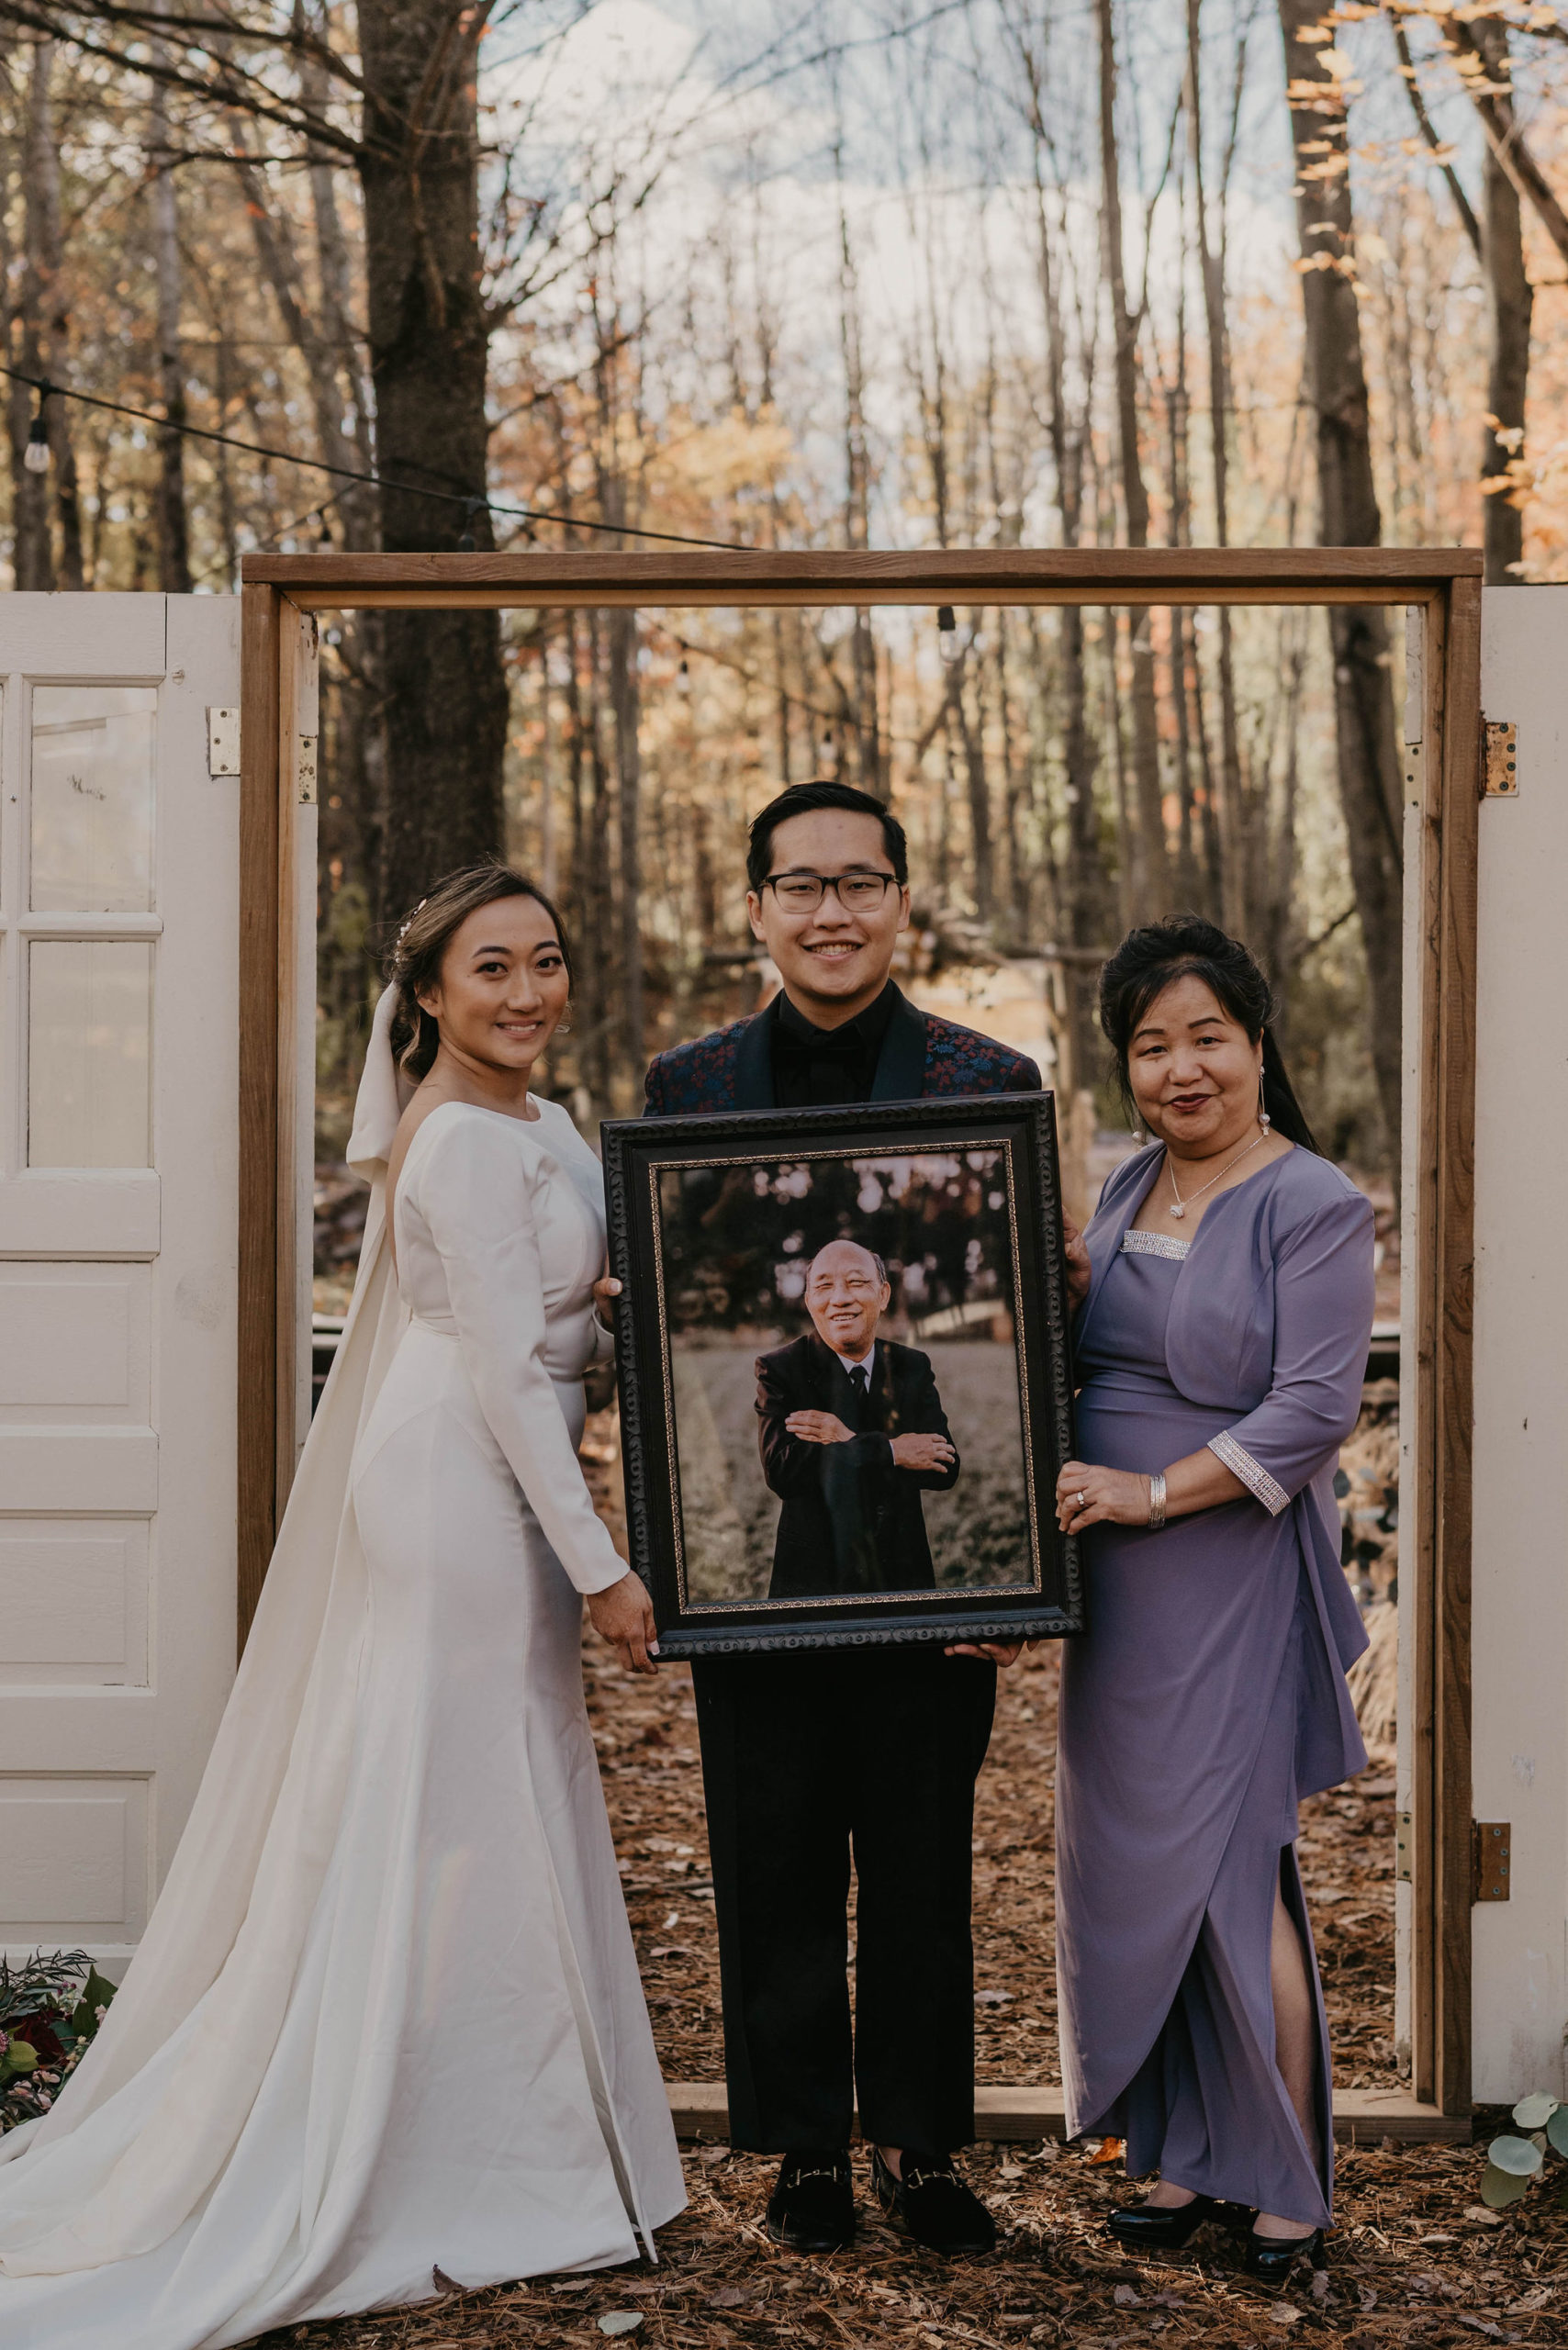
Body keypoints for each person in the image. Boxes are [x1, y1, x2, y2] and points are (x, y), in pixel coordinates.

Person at [0, 864, 685, 2348]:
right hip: (455, 1476)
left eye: (546, 962)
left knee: (499, 1785)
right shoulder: (449, 1150)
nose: (526, 992)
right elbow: (505, 1368)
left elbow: (570, 1312)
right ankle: (411, 2143)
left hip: (509, 1457)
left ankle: (518, 2130)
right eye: (489, 969)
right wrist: (604, 1565)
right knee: (450, 1796)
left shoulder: (544, 1122)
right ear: (426, 995)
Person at [644, 779, 1038, 2258]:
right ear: (754, 908)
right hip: (761, 1591)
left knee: (928, 1858)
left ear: (902, 904)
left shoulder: (985, 1075)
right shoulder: (686, 1088)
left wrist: (1027, 1579)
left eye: (859, 883)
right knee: (775, 1845)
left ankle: (921, 2144)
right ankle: (804, 2144)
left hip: (928, 1596)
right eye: (798, 886)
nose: (830, 911)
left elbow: (1041, 1323)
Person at [1052, 913, 1373, 2287]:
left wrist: (1150, 1492)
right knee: (1136, 1866)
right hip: (1110, 1592)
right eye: (1151, 1046)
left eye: (1208, 1040)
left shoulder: (1315, 1202)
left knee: (1232, 1866)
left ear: (1255, 1045)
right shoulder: (1128, 1188)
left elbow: (1311, 1409)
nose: (1183, 1070)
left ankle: (1283, 2175)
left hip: (1222, 1562)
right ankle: (1181, 2151)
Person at [756, 1239, 959, 1597]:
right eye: (823, 1287)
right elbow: (783, 1471)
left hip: (902, 1575)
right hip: (814, 1583)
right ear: (808, 1302)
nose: (840, 1299)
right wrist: (892, 1452)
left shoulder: (911, 1365)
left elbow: (945, 1467)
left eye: (856, 1282)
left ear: (883, 1295)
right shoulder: (781, 1369)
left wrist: (844, 1441)